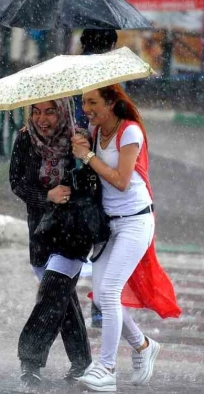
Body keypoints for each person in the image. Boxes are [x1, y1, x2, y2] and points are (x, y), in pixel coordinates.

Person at [71, 84, 181, 391]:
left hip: (135, 222)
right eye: (83, 102)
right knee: (104, 298)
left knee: (109, 293)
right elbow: (94, 172)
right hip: (109, 227)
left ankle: (106, 369)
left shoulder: (129, 131)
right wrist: (82, 148)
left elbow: (120, 180)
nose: (87, 108)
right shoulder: (95, 132)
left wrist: (89, 155)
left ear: (110, 103)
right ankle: (144, 345)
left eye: (92, 102)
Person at [9, 98, 92, 388]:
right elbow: (17, 183)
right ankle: (82, 362)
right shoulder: (24, 139)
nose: (42, 119)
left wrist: (83, 159)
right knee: (62, 299)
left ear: (64, 111)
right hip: (40, 233)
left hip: (73, 232)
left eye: (50, 111)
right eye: (36, 111)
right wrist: (47, 196)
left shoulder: (79, 139)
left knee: (52, 294)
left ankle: (29, 360)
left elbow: (93, 184)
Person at [73, 28, 118, 329]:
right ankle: (100, 306)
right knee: (104, 233)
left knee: (77, 230)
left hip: (76, 154)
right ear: (111, 44)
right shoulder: (109, 75)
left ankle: (63, 291)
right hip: (101, 154)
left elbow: (75, 113)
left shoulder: (72, 70)